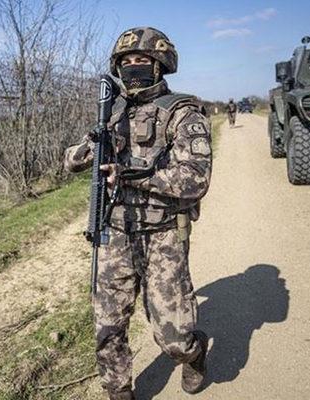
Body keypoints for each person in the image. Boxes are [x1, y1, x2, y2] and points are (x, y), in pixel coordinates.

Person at [64, 27, 213, 400]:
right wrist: (91, 145)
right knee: (108, 325)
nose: (133, 67)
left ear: (159, 66)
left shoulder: (182, 111)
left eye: (141, 61)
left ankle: (194, 354)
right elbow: (71, 161)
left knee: (173, 336)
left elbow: (194, 180)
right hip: (114, 231)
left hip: (162, 233)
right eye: (126, 62)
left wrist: (133, 176)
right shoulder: (111, 112)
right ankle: (118, 390)